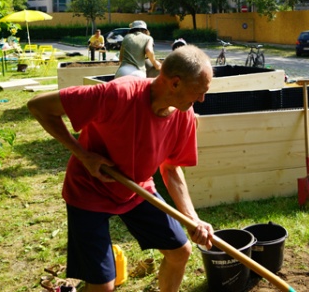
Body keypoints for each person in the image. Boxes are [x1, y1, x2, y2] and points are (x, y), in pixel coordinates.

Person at [27, 45, 215, 292]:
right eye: (199, 92)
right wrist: (84, 156)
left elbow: (170, 169)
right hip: (89, 191)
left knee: (180, 251)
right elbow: (38, 106)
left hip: (136, 189)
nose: (202, 99)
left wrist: (193, 219)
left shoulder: (184, 115)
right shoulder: (118, 95)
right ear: (175, 83)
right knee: (103, 286)